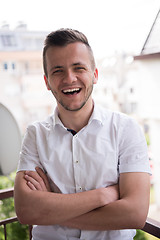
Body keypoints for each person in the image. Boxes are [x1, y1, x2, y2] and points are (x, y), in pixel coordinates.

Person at [14, 28, 151, 240]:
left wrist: (51, 209)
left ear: (94, 75)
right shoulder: (35, 134)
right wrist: (103, 195)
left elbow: (135, 214)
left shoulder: (126, 128)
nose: (70, 78)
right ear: (47, 81)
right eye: (57, 71)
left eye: (79, 68)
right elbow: (25, 211)